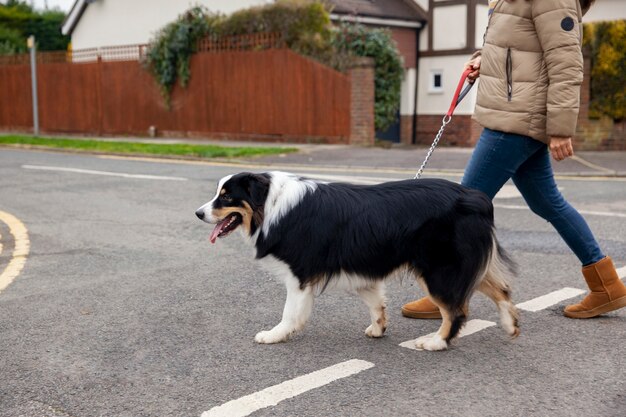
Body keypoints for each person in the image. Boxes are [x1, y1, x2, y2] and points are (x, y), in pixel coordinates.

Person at [402, 0, 626, 320]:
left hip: (516, 121)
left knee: (462, 206)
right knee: (547, 203)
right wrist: (484, 60)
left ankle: (450, 291)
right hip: (515, 114)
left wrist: (561, 129)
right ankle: (606, 286)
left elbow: (566, 63)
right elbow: (515, 48)